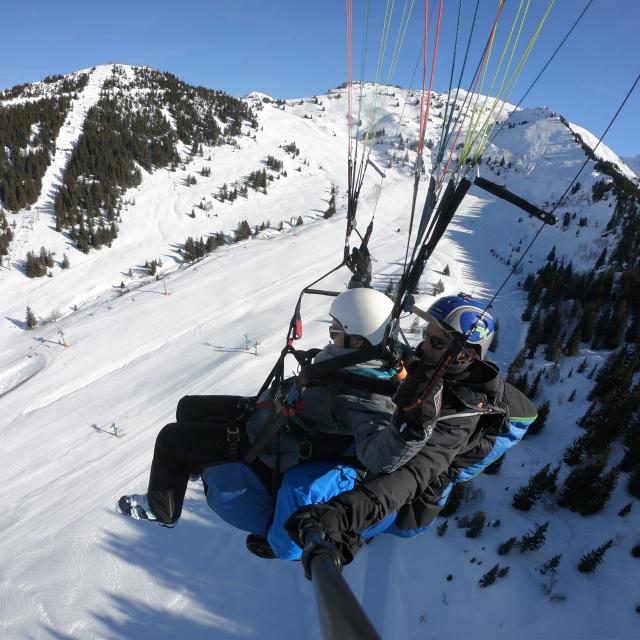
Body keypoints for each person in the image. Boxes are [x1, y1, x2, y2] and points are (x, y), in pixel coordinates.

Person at [117, 287, 439, 528]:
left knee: (171, 440)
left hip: (270, 442)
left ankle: (163, 510)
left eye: (335, 331)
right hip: (275, 412)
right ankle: (194, 467)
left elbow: (379, 455)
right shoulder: (371, 354)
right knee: (188, 408)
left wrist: (411, 426)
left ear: (357, 341)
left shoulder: (365, 395)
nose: (330, 337)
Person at [283, 294, 538, 564]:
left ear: (466, 355)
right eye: (427, 334)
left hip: (408, 508)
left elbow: (408, 478)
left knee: (315, 483)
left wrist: (339, 515)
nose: (424, 346)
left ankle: (343, 536)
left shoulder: (462, 416)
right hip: (394, 464)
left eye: (436, 342)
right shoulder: (433, 367)